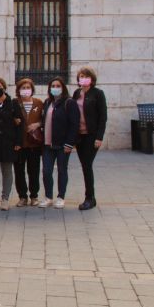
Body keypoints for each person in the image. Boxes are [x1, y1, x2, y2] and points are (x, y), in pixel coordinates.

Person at [40, 77, 80, 209]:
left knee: (62, 170)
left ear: (63, 88)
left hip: (62, 145)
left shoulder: (69, 103)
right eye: (53, 85)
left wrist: (69, 143)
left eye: (58, 85)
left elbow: (74, 124)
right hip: (47, 144)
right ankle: (48, 197)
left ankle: (61, 197)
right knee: (46, 171)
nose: (55, 88)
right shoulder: (47, 103)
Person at [72, 66, 107, 211]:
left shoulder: (98, 94)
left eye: (86, 76)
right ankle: (90, 197)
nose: (83, 79)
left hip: (91, 136)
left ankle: (90, 198)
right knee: (85, 165)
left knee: (87, 165)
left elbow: (103, 116)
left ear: (92, 79)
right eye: (81, 76)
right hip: (79, 136)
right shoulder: (76, 93)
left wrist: (99, 137)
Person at [0, 78, 23, 211]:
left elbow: (19, 123)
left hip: (8, 142)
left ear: (4, 88)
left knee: (7, 171)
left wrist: (18, 142)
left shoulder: (13, 103)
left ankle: (5, 198)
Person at [13, 78, 43, 207]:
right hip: (19, 143)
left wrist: (38, 124)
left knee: (34, 170)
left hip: (34, 144)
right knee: (19, 171)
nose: (26, 90)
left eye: (28, 87)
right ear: (18, 90)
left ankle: (34, 196)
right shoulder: (14, 103)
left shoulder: (39, 103)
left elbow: (45, 119)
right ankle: (22, 196)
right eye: (23, 88)